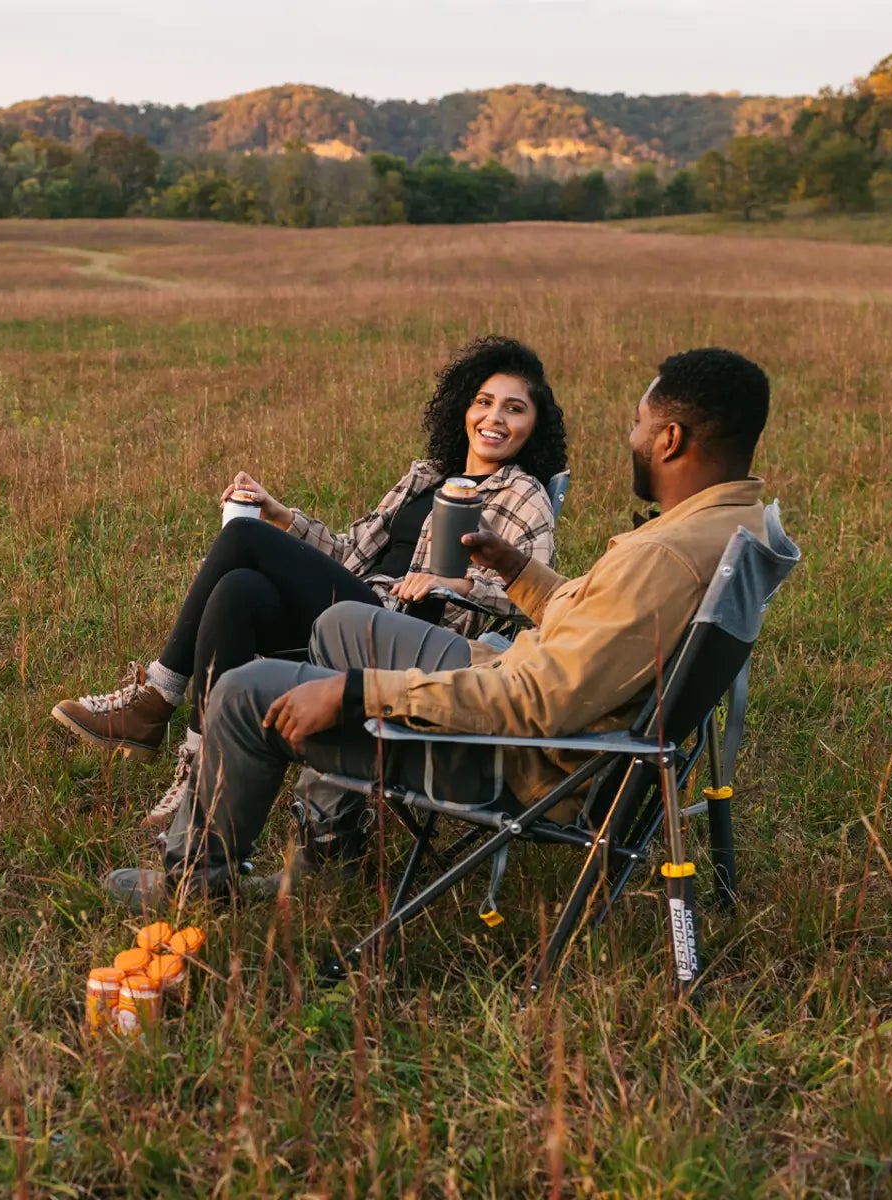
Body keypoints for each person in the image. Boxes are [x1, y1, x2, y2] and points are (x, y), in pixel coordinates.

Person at [103, 347, 778, 908]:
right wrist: (517, 569)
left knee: (247, 692)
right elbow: (586, 631)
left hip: (511, 758)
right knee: (343, 620)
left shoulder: (661, 556)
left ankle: (197, 883)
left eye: (638, 424)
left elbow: (540, 703)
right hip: (507, 685)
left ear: (670, 439)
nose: (630, 438)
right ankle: (329, 850)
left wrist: (354, 694)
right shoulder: (728, 525)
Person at [52, 336, 569, 829]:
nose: (494, 418)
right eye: (484, 402)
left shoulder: (524, 495)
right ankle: (200, 774)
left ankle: (157, 696)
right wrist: (282, 516)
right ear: (464, 407)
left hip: (404, 635)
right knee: (239, 592)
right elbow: (349, 552)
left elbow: (530, 597)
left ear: (533, 425)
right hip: (353, 605)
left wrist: (453, 584)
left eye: (514, 408)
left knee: (243, 540)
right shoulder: (426, 475)